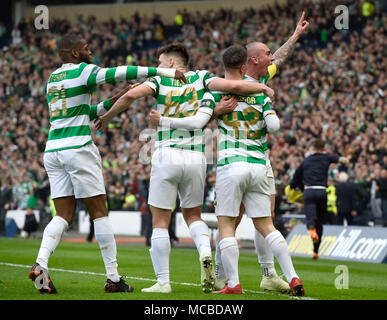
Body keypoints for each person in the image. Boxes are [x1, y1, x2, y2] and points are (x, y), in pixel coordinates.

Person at [95, 42, 274, 294]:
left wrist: (107, 117)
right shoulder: (202, 78)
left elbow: (130, 96)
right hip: (195, 159)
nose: (157, 66)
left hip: (167, 155)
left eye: (159, 61)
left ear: (170, 62)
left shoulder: (158, 80)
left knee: (160, 221)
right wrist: (262, 87)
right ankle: (204, 252)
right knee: (193, 216)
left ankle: (163, 282)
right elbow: (234, 85)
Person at [28, 33, 186, 294]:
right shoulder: (83, 70)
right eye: (86, 48)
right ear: (75, 53)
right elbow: (118, 72)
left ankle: (40, 265)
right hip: (78, 148)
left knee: (63, 214)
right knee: (99, 211)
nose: (90, 51)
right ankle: (113, 278)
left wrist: (116, 99)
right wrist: (163, 73)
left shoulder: (53, 79)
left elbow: (84, 112)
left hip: (53, 149)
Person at [150, 45, 305, 296]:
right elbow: (275, 126)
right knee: (266, 224)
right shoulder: (260, 90)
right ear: (246, 65)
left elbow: (199, 121)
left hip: (230, 164)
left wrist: (170, 120)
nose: (270, 59)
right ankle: (290, 276)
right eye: (265, 55)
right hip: (258, 163)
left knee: (227, 225)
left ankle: (233, 281)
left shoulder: (215, 91)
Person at [212, 11, 310, 293]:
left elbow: (280, 57)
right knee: (236, 217)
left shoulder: (264, 74)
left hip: (256, 157)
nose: (272, 58)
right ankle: (222, 274)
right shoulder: (230, 85)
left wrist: (295, 35)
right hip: (245, 157)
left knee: (264, 214)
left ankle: (267, 274)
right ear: (252, 60)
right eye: (266, 53)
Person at [290, 138, 349, 260]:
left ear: (313, 147)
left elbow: (294, 181)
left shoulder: (306, 161)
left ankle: (311, 226)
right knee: (320, 223)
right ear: (323, 147)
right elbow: (340, 160)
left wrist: (299, 188)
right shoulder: (327, 157)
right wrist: (345, 160)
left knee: (311, 217)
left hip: (309, 191)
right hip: (322, 191)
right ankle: (316, 251)